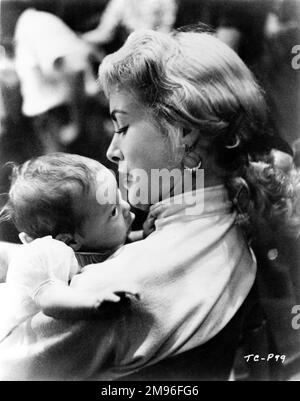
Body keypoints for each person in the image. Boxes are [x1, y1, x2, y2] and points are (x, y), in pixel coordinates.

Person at [0, 28, 299, 381]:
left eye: (122, 126)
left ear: (184, 131)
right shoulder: (226, 224)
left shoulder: (120, 288)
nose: (112, 151)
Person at [0, 153, 138, 341]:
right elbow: (50, 298)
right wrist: (93, 302)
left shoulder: (88, 242)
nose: (126, 206)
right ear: (69, 241)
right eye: (113, 211)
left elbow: (109, 249)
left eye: (120, 197)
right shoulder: (46, 252)